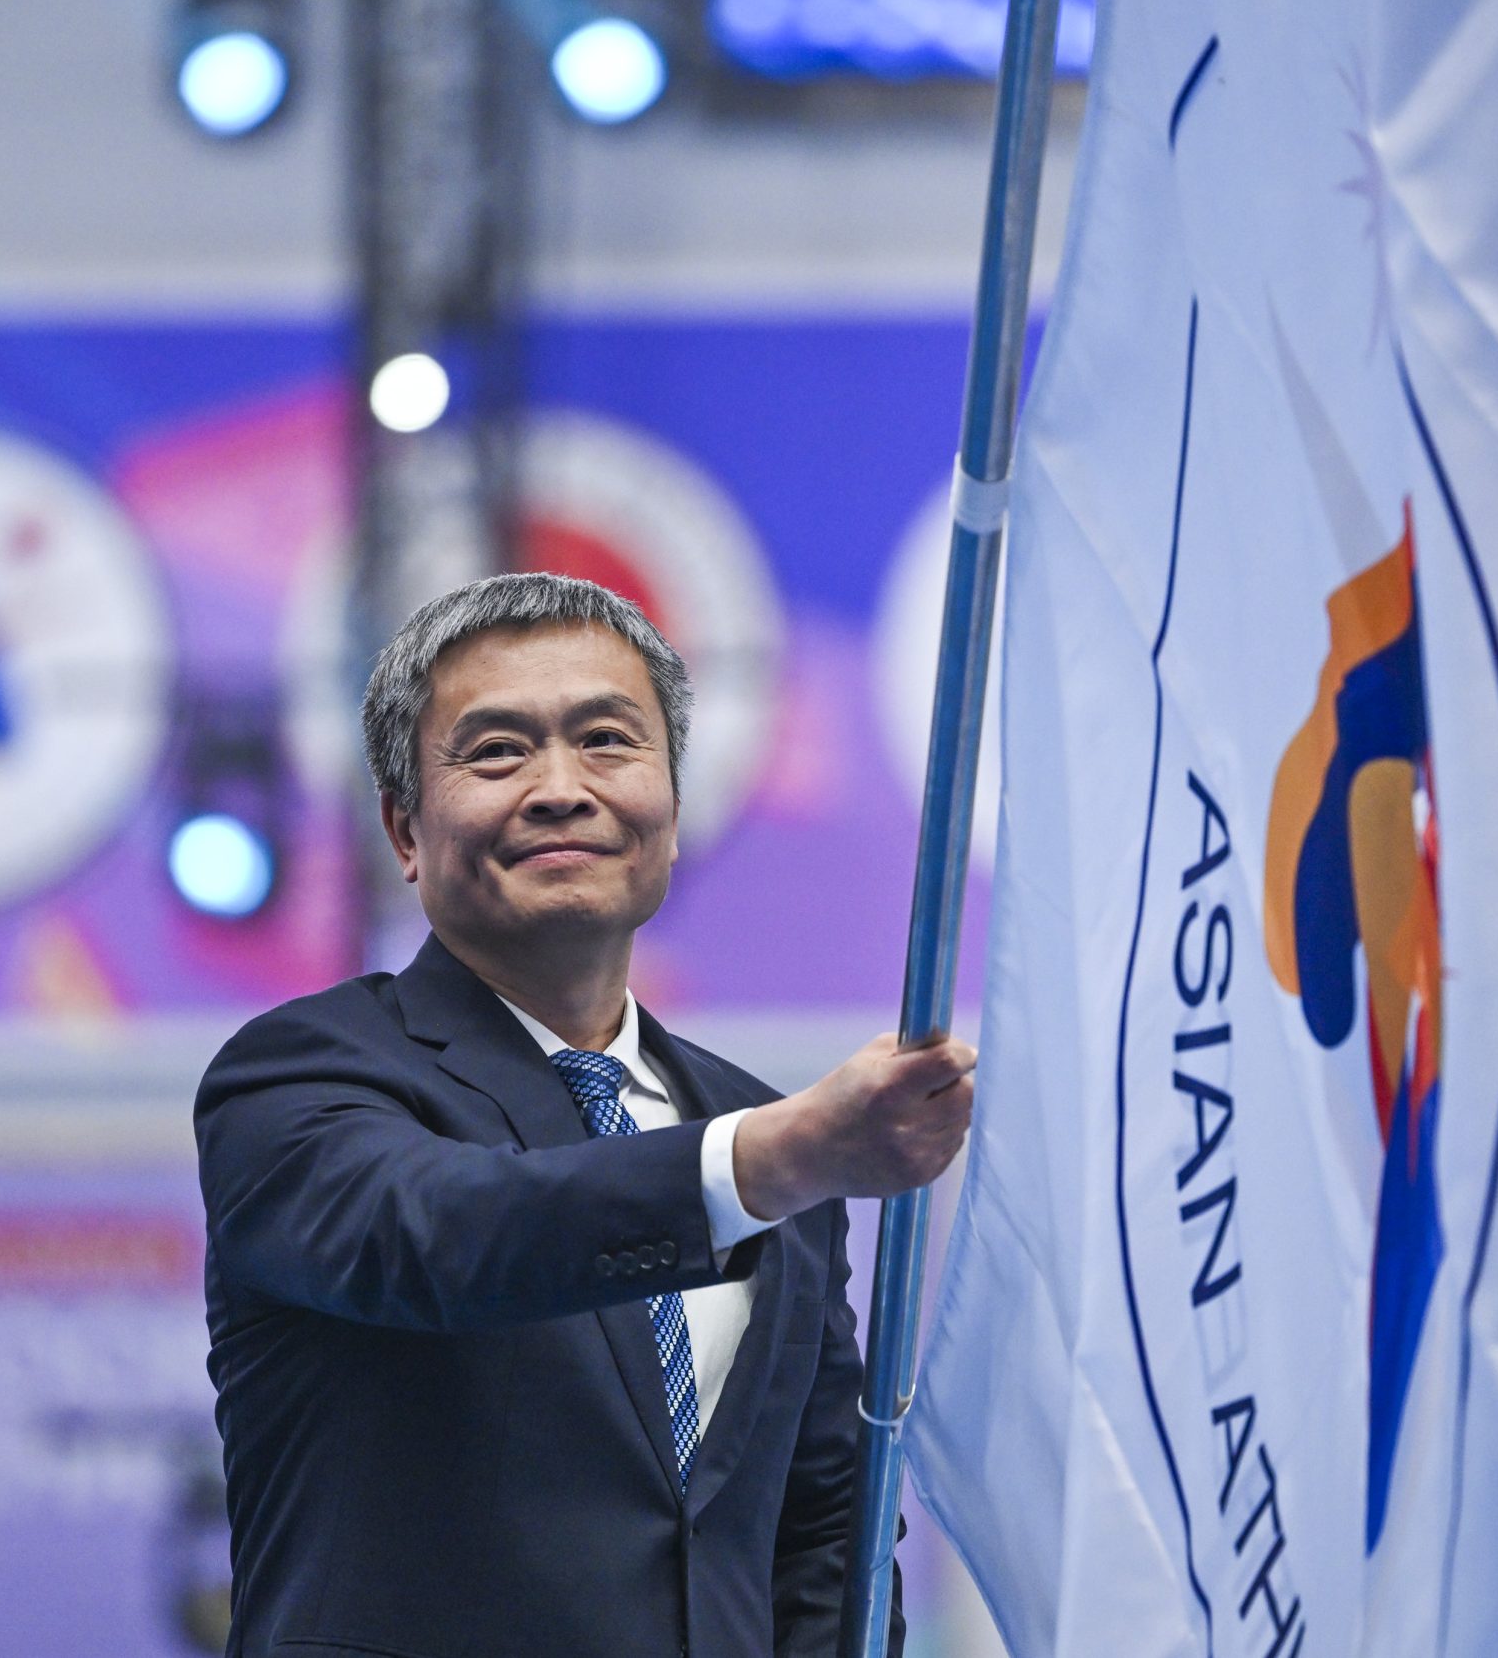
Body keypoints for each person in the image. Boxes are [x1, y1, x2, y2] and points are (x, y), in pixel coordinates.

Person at [196, 573, 976, 1658]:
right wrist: (766, 1162)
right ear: (404, 830)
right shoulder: (297, 1076)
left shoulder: (753, 1127)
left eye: (607, 741)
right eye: (497, 752)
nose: (561, 789)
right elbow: (440, 1233)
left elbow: (822, 1534)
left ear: (673, 805)